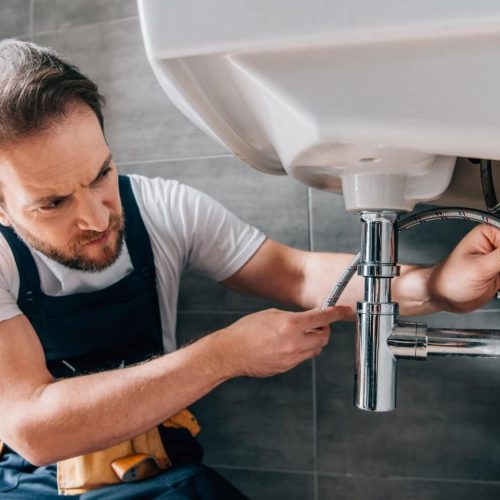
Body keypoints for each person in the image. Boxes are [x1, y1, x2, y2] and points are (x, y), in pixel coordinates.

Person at [0, 39, 498, 499]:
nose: (97, 216)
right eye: (53, 203)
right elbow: (34, 428)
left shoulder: (160, 207)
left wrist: (436, 286)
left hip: (162, 471)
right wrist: (223, 356)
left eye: (101, 174)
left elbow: (297, 275)